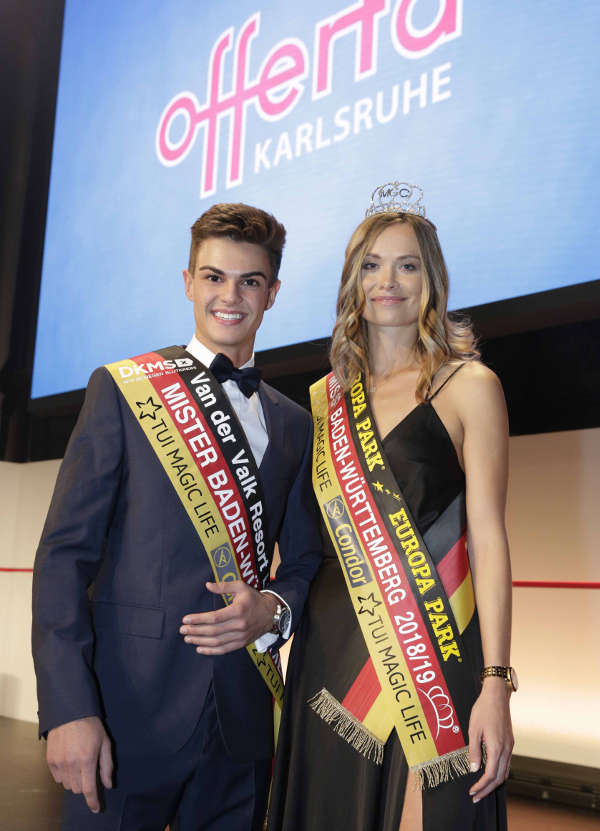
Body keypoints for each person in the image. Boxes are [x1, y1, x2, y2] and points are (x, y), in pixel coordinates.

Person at [32, 202, 322, 831]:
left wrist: (272, 610)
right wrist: (66, 708)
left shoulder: (297, 424)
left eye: (249, 281)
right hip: (122, 714)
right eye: (214, 277)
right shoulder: (124, 389)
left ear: (272, 293)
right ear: (188, 282)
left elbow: (303, 560)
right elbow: (63, 555)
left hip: (241, 722)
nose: (230, 296)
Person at [268, 183, 515, 831]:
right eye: (372, 264)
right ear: (353, 280)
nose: (389, 280)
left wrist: (496, 681)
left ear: (430, 278)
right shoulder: (323, 401)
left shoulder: (469, 385)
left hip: (435, 644)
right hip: (333, 657)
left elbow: (489, 538)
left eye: (407, 264)